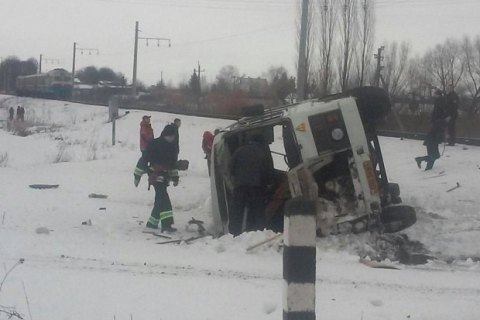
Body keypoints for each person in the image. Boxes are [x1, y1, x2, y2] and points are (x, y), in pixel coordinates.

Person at [133, 124, 180, 233]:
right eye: (169, 136)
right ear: (164, 135)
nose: (171, 138)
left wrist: (175, 177)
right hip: (155, 175)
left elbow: (172, 164)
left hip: (165, 177)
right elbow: (144, 159)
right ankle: (166, 225)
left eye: (172, 137)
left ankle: (152, 223)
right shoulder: (155, 144)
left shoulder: (172, 147)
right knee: (164, 200)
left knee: (160, 200)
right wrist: (137, 176)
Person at [229, 134, 275, 236]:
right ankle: (256, 233)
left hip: (239, 186)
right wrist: (269, 184)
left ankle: (233, 234)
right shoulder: (264, 152)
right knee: (257, 212)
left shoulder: (239, 150)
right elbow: (269, 171)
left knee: (237, 211)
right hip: (256, 187)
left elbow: (231, 167)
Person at [415, 89, 449, 171]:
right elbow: (438, 131)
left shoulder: (438, 104)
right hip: (432, 140)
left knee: (434, 155)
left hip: (432, 139)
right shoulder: (440, 120)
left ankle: (425, 166)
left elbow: (436, 114)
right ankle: (421, 161)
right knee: (434, 155)